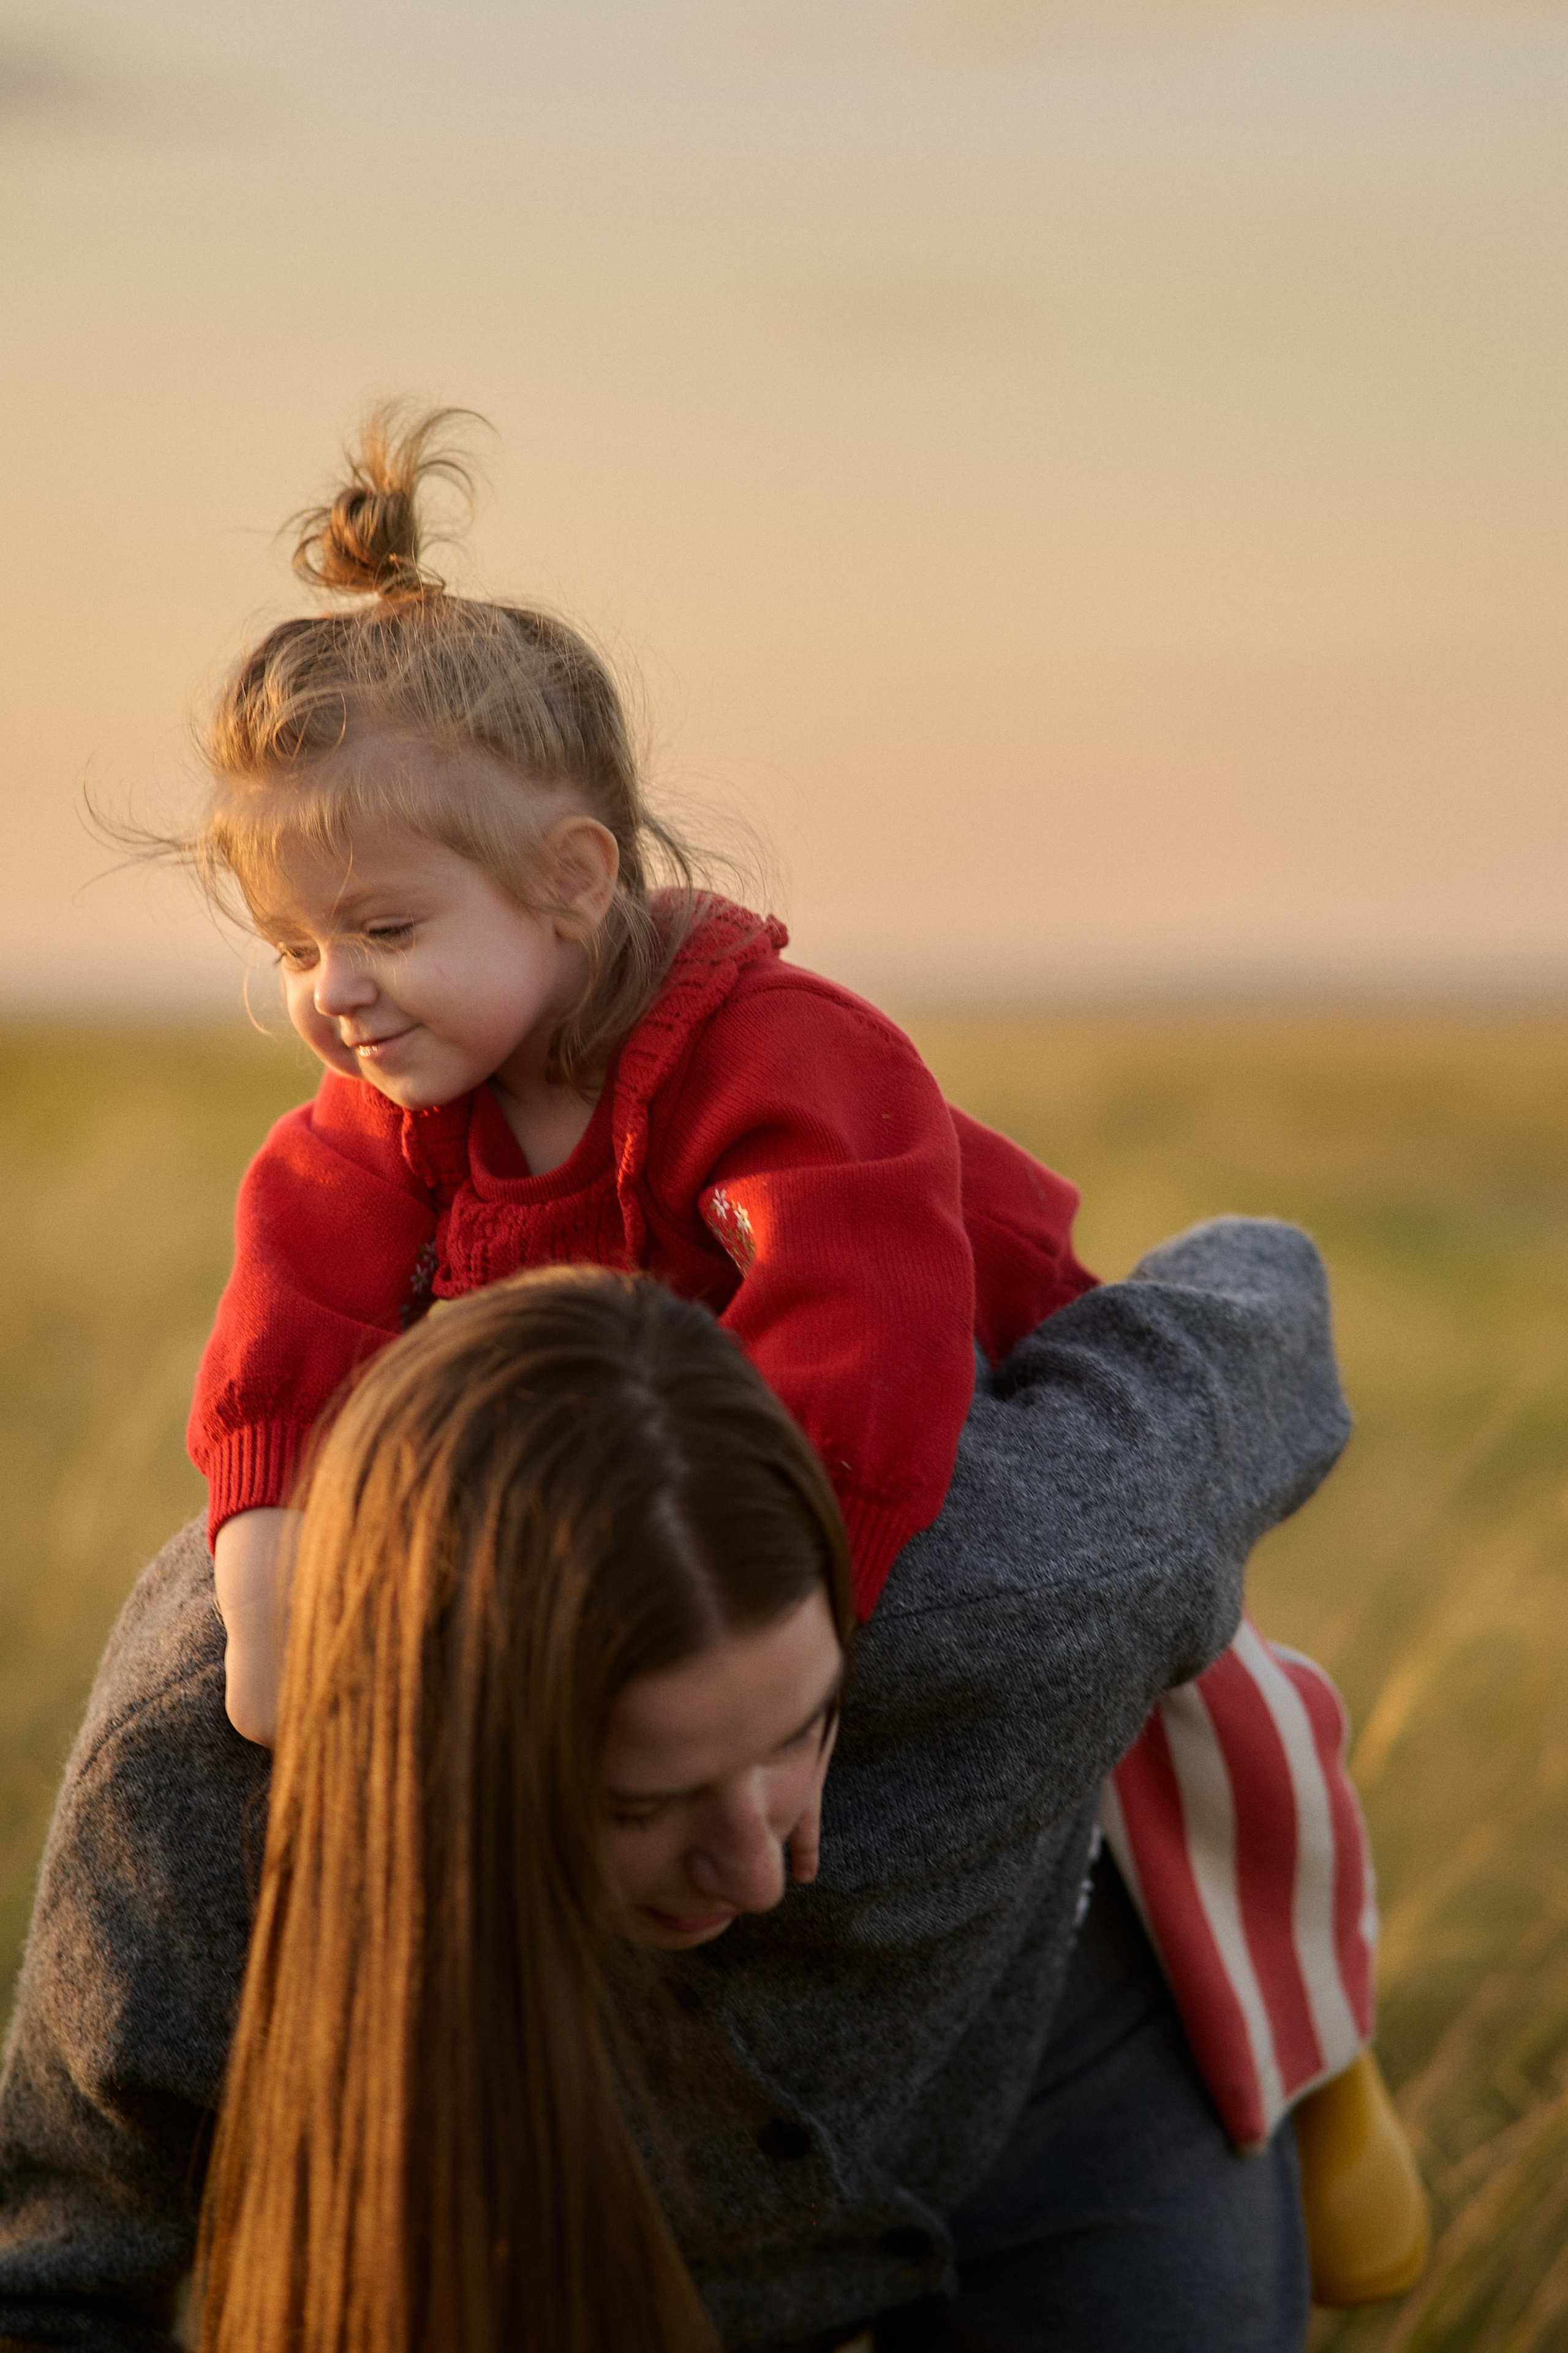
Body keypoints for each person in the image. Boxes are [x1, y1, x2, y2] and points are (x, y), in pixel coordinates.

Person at [168, 410, 1400, 2242]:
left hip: (928, 1438)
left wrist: (779, 1663)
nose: (332, 994)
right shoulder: (403, 1106)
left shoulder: (779, 1060)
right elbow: (298, 1299)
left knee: (1188, 1755)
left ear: (572, 884)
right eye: (289, 948)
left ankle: (1315, 2078)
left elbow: (865, 1352)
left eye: (384, 928)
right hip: (687, 1508)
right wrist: (270, 1573)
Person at [1, 1221, 1351, 2349]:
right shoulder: (203, 1792)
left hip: (1063, 2077)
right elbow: (53, 2282)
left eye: (803, 1732)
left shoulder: (1035, 1574)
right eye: (641, 1806)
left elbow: (1260, 1276)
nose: (763, 1871)